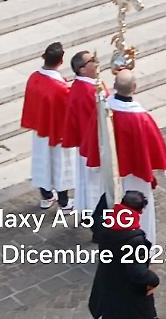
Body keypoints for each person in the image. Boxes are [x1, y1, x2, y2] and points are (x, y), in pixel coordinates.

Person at [81, 69, 166, 245]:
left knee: (111, 205)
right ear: (135, 88)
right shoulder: (141, 118)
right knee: (140, 210)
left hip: (110, 171)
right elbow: (154, 143)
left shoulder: (104, 110)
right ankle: (141, 247)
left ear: (114, 87)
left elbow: (95, 135)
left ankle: (111, 244)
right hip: (135, 173)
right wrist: (163, 167)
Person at [88, 190, 160, 319]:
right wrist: (153, 280)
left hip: (107, 290)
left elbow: (95, 219)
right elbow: (138, 272)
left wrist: (108, 194)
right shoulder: (135, 241)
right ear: (140, 212)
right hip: (129, 298)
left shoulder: (106, 226)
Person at [20, 42, 72, 211]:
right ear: (61, 61)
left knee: (42, 162)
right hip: (56, 132)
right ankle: (64, 203)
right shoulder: (60, 87)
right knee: (60, 165)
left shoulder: (34, 77)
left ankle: (47, 196)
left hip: (40, 129)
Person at [60, 50, 104, 215]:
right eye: (91, 60)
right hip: (93, 144)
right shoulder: (88, 91)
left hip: (86, 143)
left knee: (86, 181)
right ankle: (94, 214)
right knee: (94, 183)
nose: (96, 61)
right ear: (82, 69)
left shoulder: (85, 85)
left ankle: (86, 210)